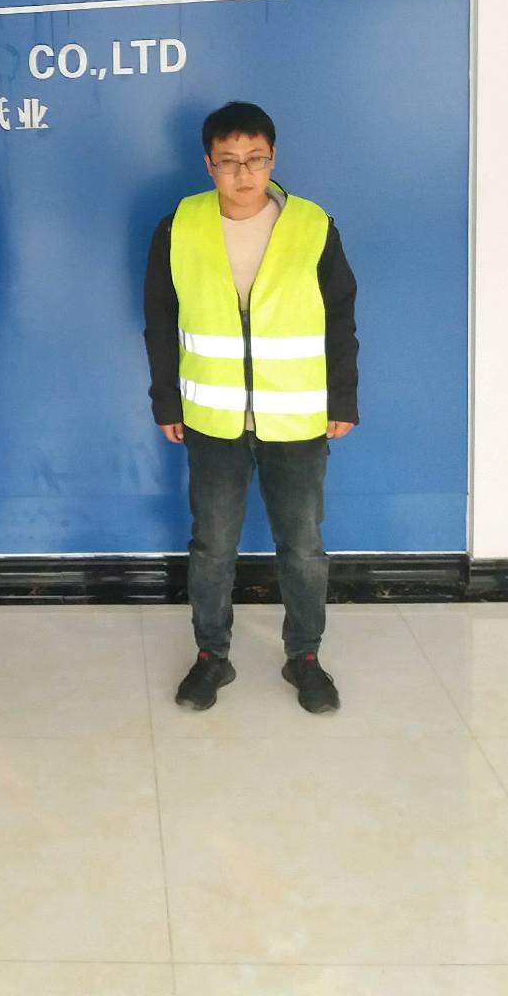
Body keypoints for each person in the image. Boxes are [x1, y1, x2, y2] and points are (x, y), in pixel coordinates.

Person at [143, 101, 358, 714]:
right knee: (212, 547)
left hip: (297, 416)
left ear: (273, 158)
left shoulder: (312, 225)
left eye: (256, 159)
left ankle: (304, 656)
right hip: (212, 418)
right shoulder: (179, 226)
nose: (244, 174)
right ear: (208, 164)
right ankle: (212, 655)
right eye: (229, 161)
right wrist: (166, 399)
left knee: (303, 547)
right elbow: (160, 320)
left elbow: (340, 317)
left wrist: (342, 397)